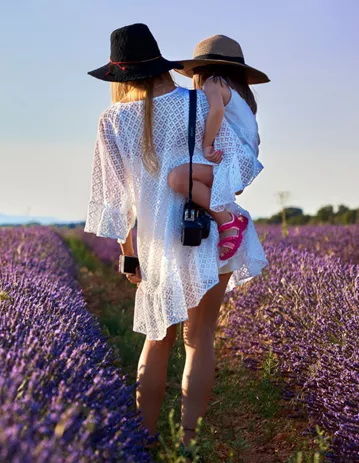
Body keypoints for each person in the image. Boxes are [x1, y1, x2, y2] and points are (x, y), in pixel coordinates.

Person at [83, 24, 267, 450]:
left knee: (156, 339)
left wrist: (129, 254)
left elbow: (115, 202)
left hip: (156, 247)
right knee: (199, 340)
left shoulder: (112, 120)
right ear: (162, 65)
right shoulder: (200, 103)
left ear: (122, 76)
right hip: (207, 234)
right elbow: (239, 170)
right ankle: (188, 445)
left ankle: (142, 443)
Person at [166, 35, 269, 261]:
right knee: (185, 179)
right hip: (244, 164)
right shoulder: (242, 98)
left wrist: (206, 144)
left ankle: (227, 220)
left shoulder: (214, 81)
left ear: (200, 70)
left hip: (236, 163)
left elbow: (216, 111)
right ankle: (224, 218)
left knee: (178, 178)